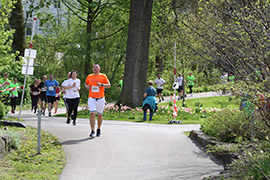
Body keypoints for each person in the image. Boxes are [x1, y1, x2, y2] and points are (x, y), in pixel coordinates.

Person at [84, 64, 111, 137]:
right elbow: (86, 84)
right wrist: (87, 86)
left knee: (100, 114)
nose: (95, 68)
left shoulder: (103, 76)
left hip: (100, 98)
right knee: (92, 113)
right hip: (91, 98)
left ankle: (98, 129)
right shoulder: (89, 76)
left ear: (99, 69)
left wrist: (102, 85)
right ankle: (92, 131)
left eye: (96, 67)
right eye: (93, 67)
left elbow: (109, 85)